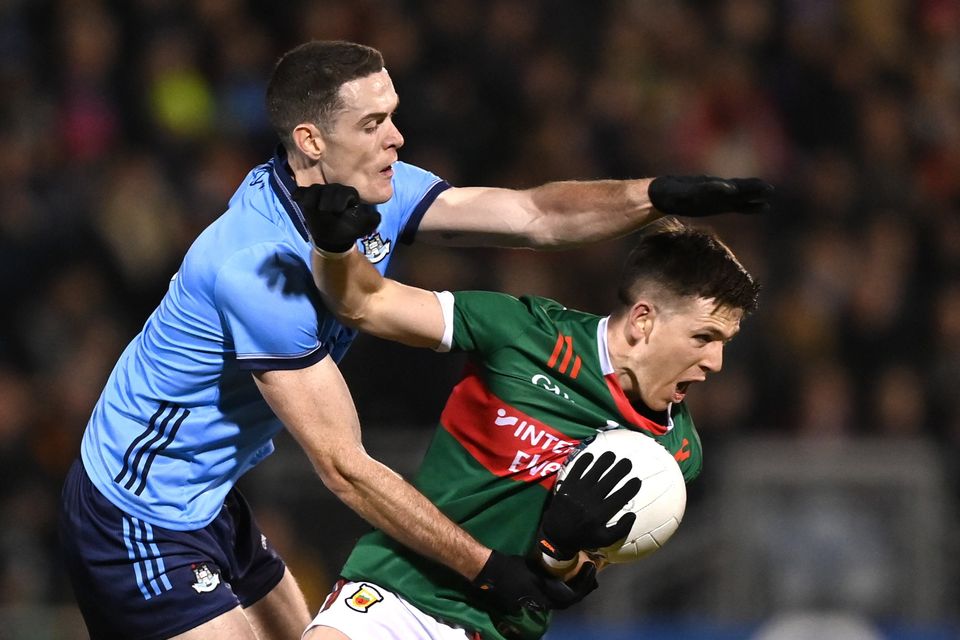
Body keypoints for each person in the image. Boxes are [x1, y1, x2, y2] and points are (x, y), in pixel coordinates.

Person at [57, 39, 773, 639]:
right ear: (312, 141)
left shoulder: (377, 189)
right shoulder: (254, 267)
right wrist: (487, 568)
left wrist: (651, 197)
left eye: (393, 116)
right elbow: (344, 467)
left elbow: (530, 217)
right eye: (373, 124)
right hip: (137, 510)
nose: (396, 137)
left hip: (207, 498)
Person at [297, 197, 760, 640]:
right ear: (643, 320)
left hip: (495, 631)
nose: (716, 362)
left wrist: (558, 551)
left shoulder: (676, 455)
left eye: (725, 343)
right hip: (396, 589)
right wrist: (334, 248)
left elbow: (568, 582)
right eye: (704, 336)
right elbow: (367, 302)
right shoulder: (521, 332)